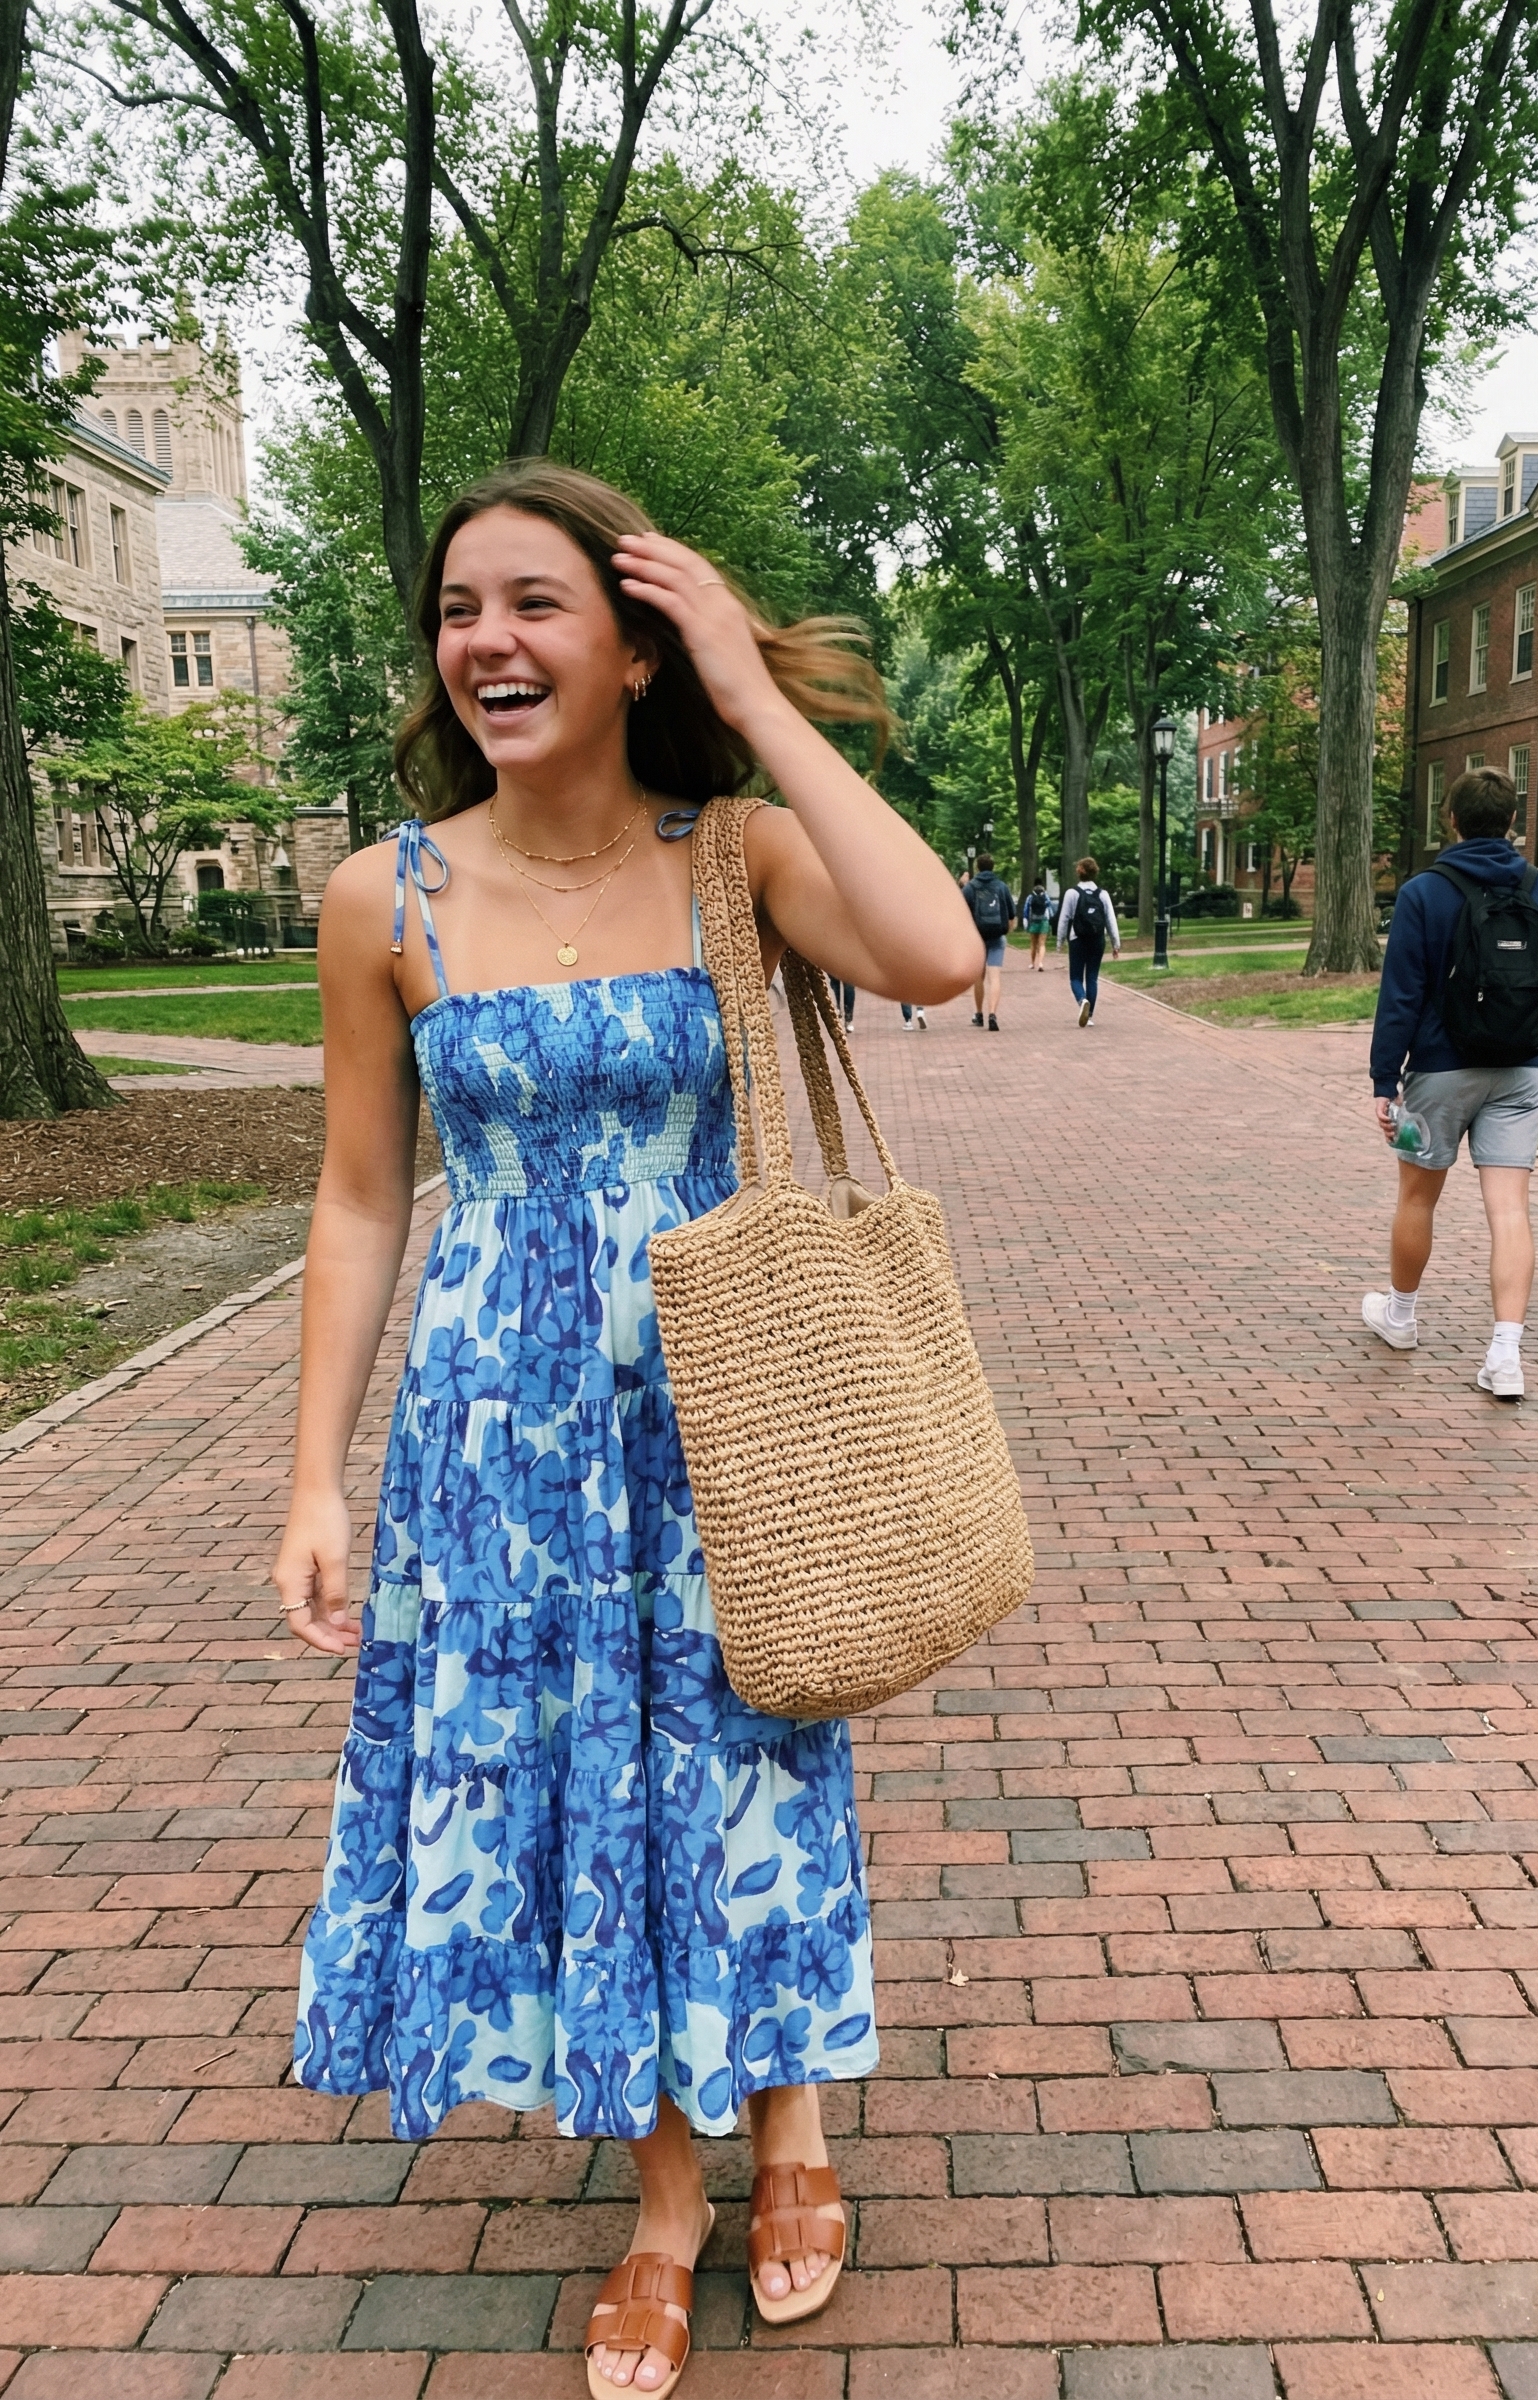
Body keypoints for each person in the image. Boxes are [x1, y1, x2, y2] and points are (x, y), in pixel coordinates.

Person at [271, 462, 984, 2398]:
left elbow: (936, 956)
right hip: (494, 1450)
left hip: (726, 1414)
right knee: (586, 1807)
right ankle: (667, 2201)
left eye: (534, 603)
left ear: (628, 638)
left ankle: (796, 2127)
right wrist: (313, 1476)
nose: (485, 642)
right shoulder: (383, 895)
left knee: (742, 1775)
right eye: (454, 611)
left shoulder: (730, 853)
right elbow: (356, 1198)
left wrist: (755, 701)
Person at [1362, 766, 1538, 1399]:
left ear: (1449, 820)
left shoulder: (1424, 891)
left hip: (1439, 1066)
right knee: (1510, 1209)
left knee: (1417, 1198)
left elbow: (1400, 994)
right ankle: (1505, 1354)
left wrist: (1384, 1077)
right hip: (1519, 1070)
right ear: (1513, 822)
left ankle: (1400, 1316)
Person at [1056, 856, 1121, 1025]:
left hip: (1077, 939)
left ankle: (1082, 1000)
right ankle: (1089, 1015)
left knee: (1075, 977)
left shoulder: (1072, 894)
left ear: (1079, 872)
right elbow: (1111, 920)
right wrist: (1116, 943)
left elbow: (1064, 918)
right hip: (1097, 939)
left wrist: (1060, 940)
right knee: (1092, 977)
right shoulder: (1103, 894)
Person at [964, 851, 1015, 1028]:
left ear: (978, 867)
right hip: (996, 936)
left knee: (979, 978)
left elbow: (962, 913)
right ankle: (992, 1014)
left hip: (977, 938)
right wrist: (1005, 931)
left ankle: (979, 1014)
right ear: (993, 867)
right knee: (995, 978)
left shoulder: (970, 887)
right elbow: (1011, 915)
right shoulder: (1001, 887)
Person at [1021, 875, 1054, 970]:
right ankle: (1040, 963)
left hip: (1033, 921)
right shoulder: (1046, 896)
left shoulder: (1030, 897)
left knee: (1033, 944)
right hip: (1044, 921)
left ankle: (1032, 963)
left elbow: (1026, 910)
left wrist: (1025, 920)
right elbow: (1050, 910)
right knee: (1042, 943)